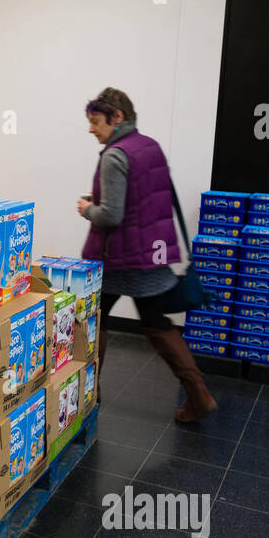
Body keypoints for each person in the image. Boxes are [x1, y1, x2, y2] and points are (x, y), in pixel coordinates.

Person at [77, 88, 216, 423]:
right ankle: (198, 395)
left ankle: (88, 395)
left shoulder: (114, 155)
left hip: (120, 259)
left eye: (96, 122)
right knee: (157, 324)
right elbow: (145, 202)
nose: (91, 129)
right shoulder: (149, 146)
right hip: (152, 255)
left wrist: (87, 208)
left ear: (117, 117)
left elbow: (112, 216)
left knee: (95, 319)